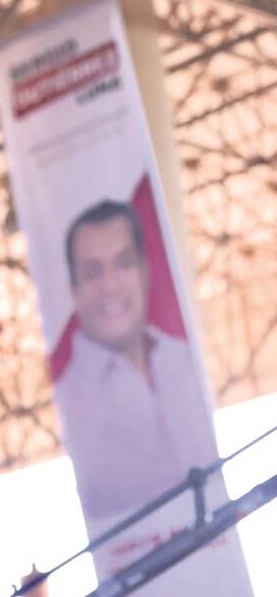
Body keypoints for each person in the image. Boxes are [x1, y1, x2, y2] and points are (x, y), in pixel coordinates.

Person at [55, 200, 255, 595]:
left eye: (123, 263)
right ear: (73, 290)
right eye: (92, 272)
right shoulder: (73, 395)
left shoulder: (184, 360)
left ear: (146, 272)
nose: (109, 285)